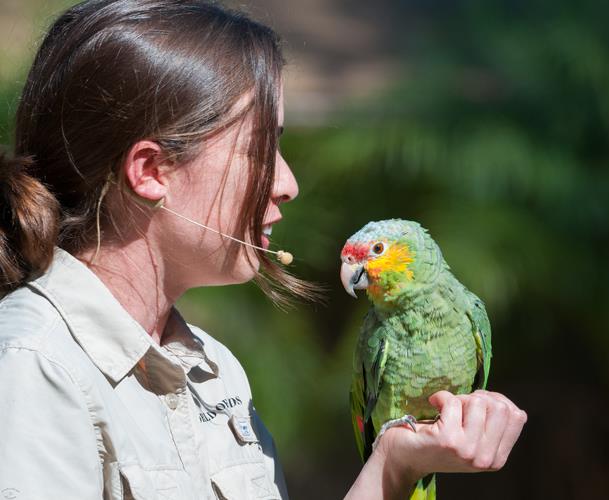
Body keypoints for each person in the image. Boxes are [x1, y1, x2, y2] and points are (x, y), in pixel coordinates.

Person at [0, 1, 527, 499]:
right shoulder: (32, 367)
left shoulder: (214, 371)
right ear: (152, 171)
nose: (288, 183)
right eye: (261, 149)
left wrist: (395, 462)